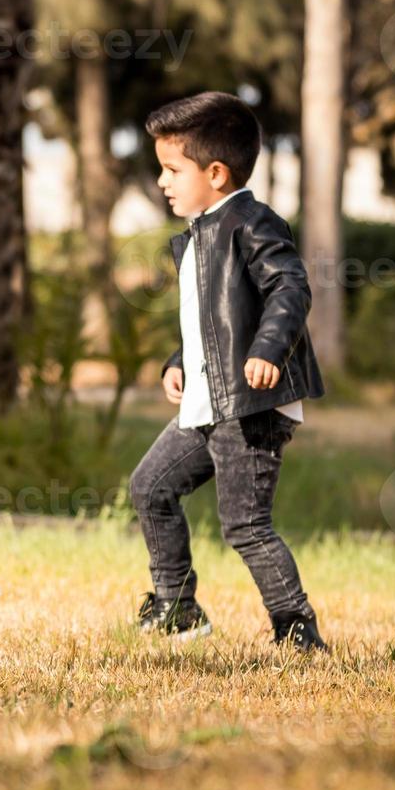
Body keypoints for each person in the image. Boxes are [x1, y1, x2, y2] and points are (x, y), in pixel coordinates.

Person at [128, 90, 329, 653]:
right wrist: (180, 363)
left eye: (172, 169)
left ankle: (297, 631)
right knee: (151, 486)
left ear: (215, 173)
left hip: (252, 405)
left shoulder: (251, 223)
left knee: (245, 524)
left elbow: (289, 287)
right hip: (210, 402)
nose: (162, 181)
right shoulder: (198, 235)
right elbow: (208, 322)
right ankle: (177, 608)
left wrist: (268, 349)